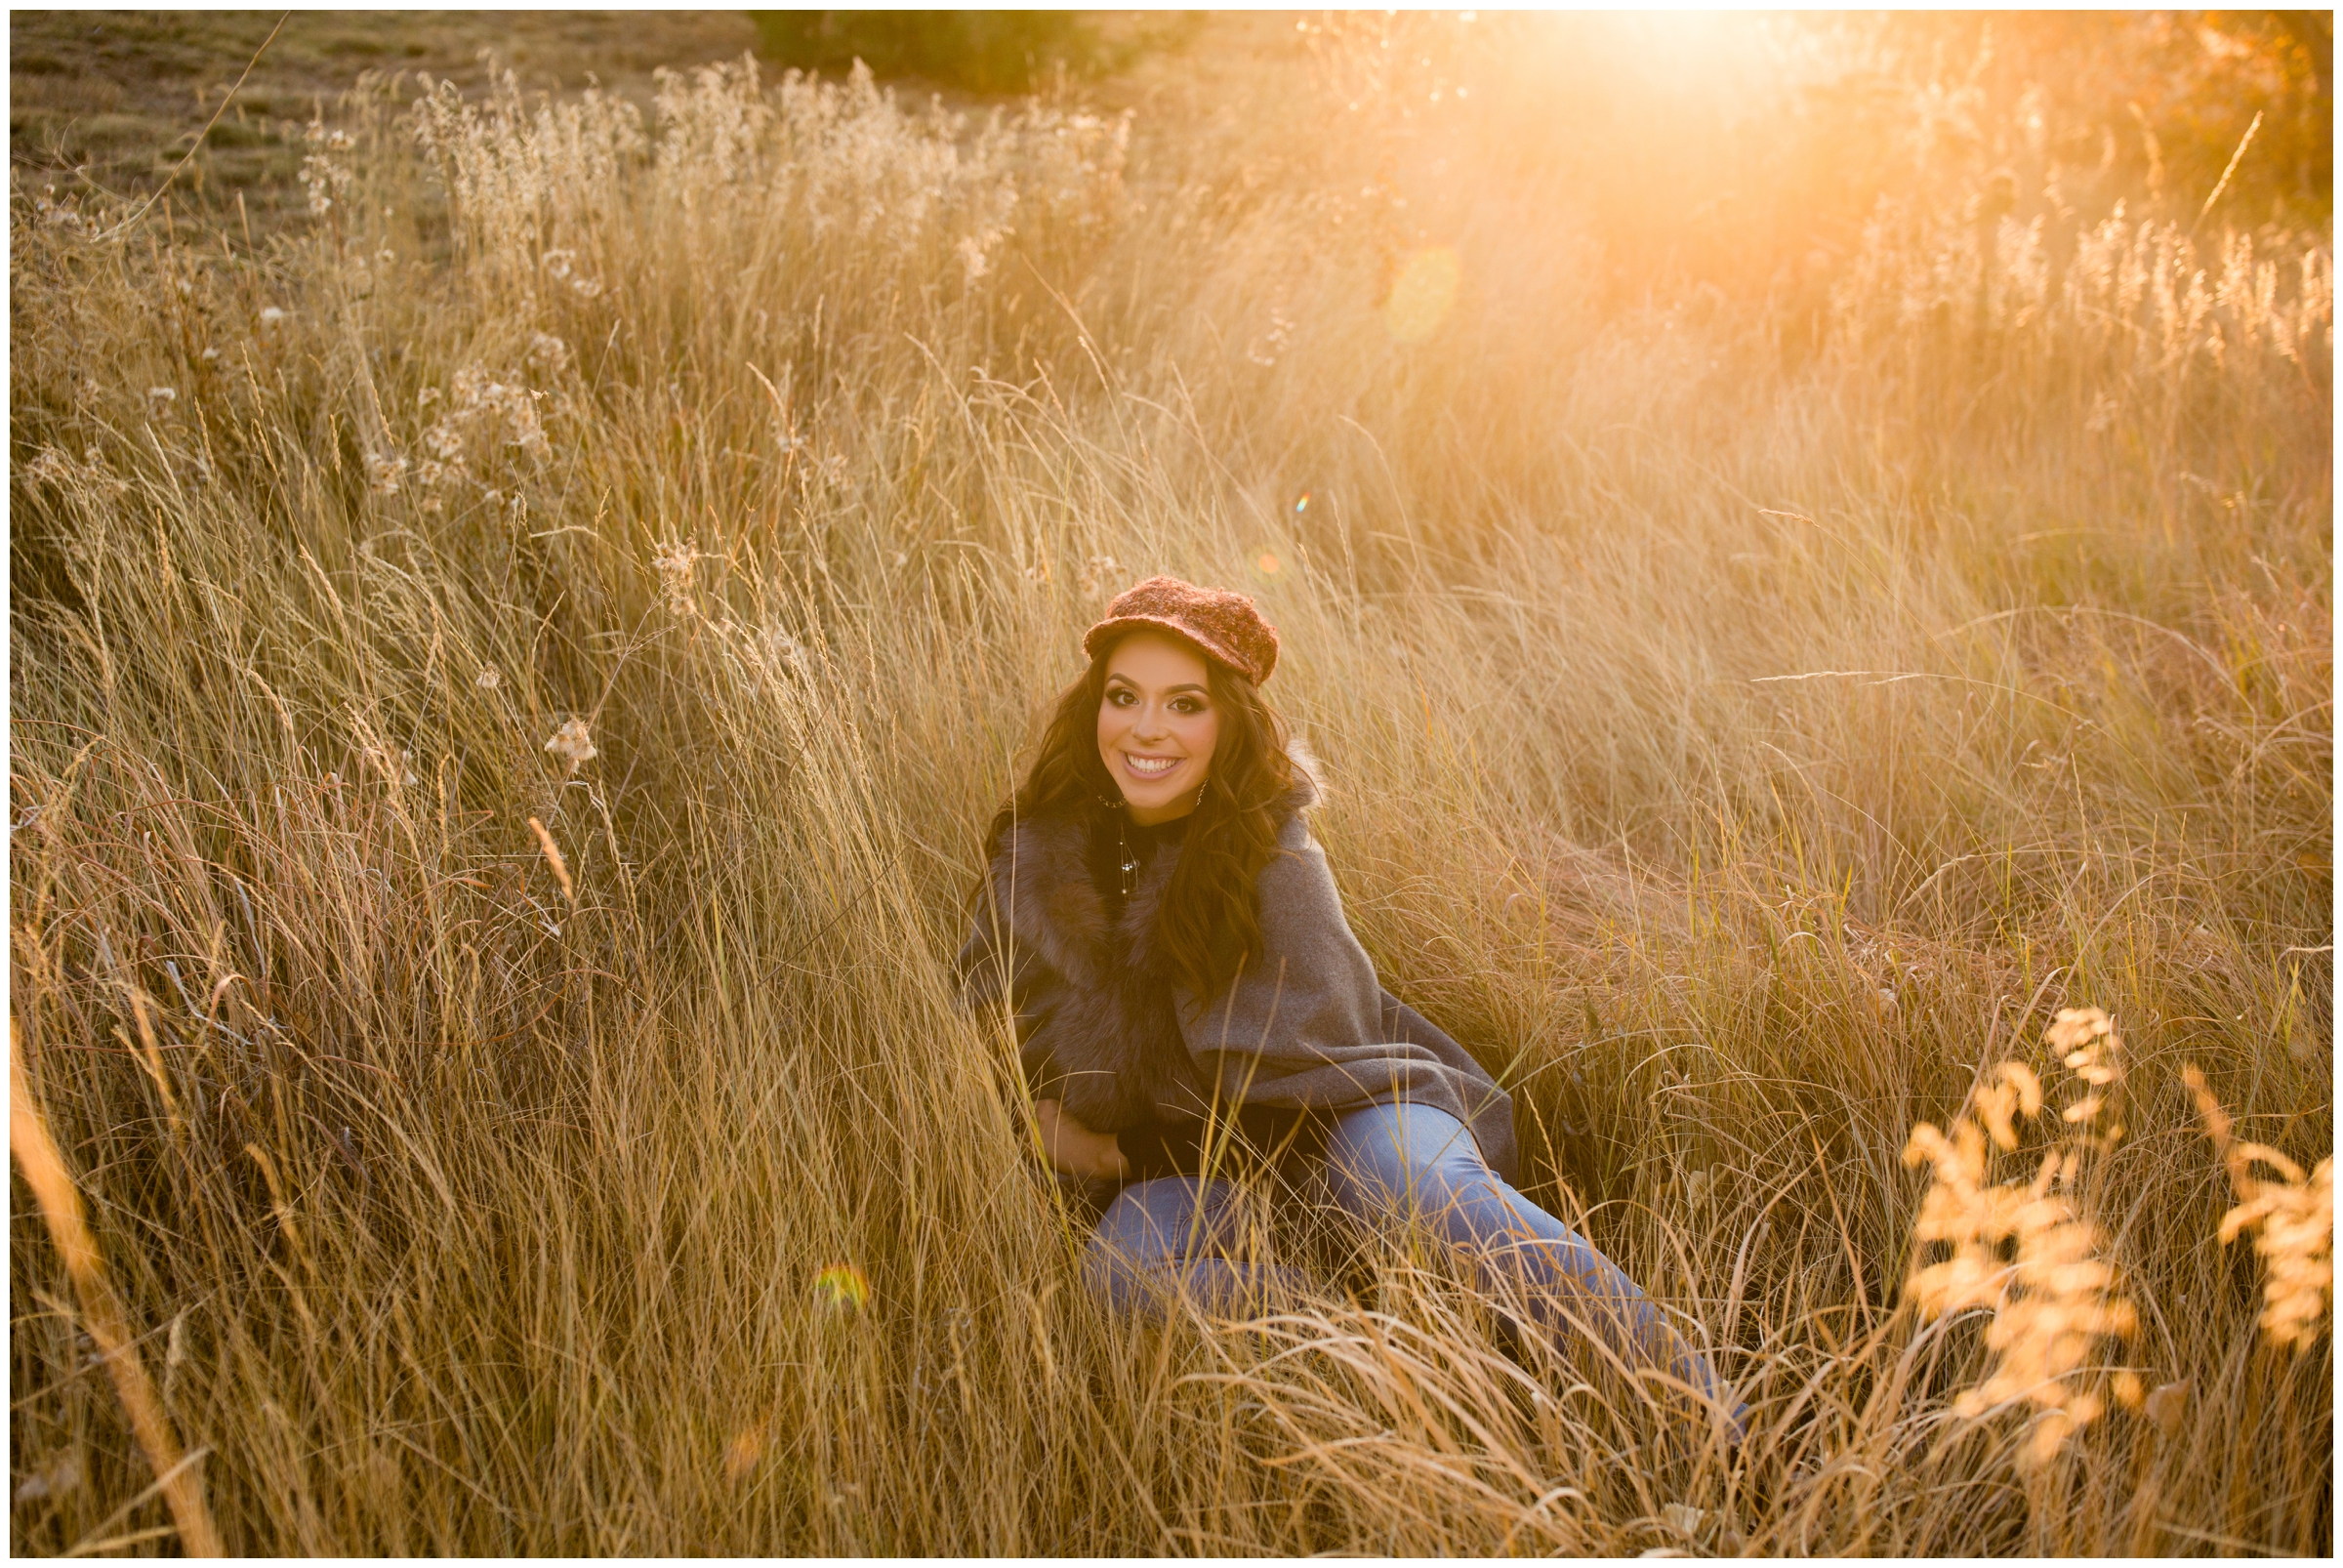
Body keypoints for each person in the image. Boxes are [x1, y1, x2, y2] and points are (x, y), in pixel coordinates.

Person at [957, 575, 1742, 1432]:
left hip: (1356, 1110)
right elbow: (982, 1029)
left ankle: (1709, 1422)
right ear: (1093, 708)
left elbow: (1312, 1084)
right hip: (1194, 1165)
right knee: (1124, 1278)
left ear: (1227, 725)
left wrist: (1113, 1155)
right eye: (1124, 697)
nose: (1147, 728)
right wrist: (1033, 1118)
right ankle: (1434, 1379)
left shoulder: (1269, 851)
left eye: (1184, 704)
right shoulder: (1037, 856)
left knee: (1414, 1189)